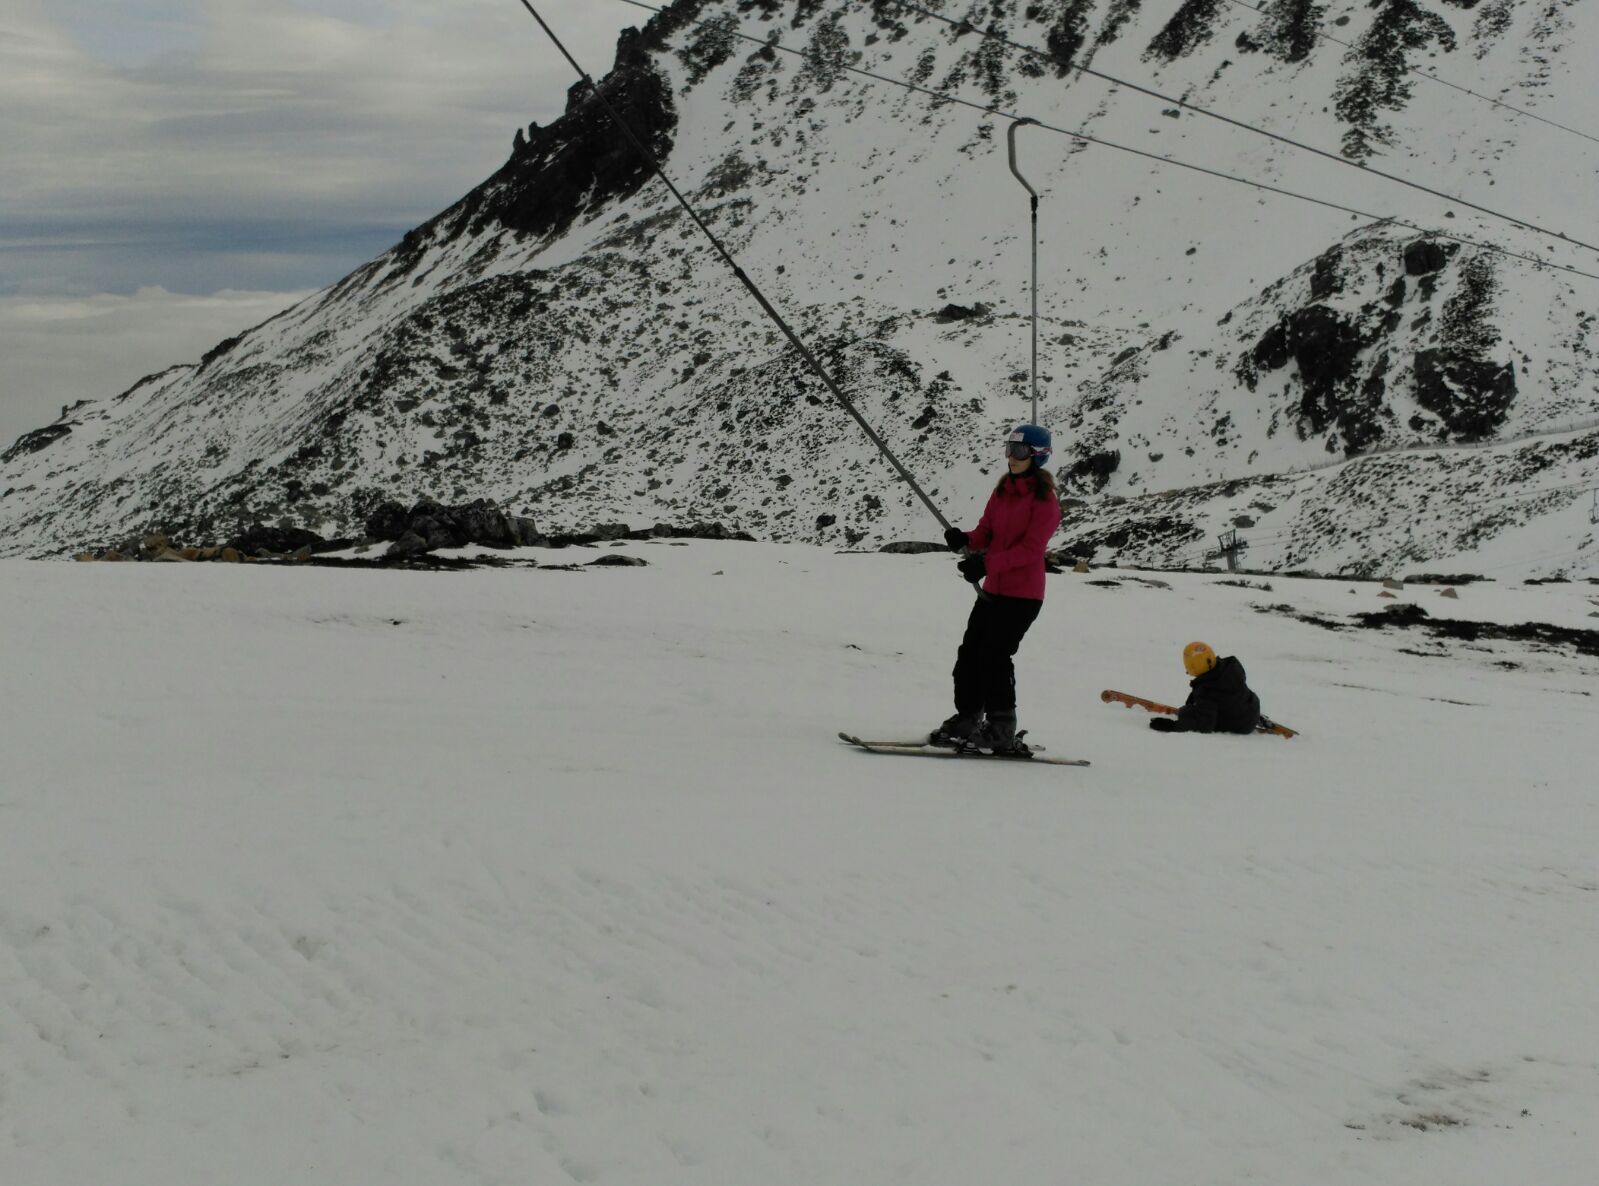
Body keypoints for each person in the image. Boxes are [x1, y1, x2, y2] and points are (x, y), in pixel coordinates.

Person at [929, 424, 1062, 755]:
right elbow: (986, 531)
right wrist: (966, 539)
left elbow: (1030, 551)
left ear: (1037, 455)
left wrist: (987, 564)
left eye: (1019, 451)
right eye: (1009, 449)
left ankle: (1001, 727)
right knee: (969, 654)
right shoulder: (1002, 491)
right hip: (992, 592)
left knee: (995, 656)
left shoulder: (1045, 503)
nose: (1011, 457)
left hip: (1023, 596)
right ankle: (968, 717)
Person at [1149, 642, 1261, 734]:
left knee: (1187, 713)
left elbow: (1204, 725)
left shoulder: (1208, 691)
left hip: (1241, 725)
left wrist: (1172, 726)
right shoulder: (1227, 670)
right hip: (1251, 707)